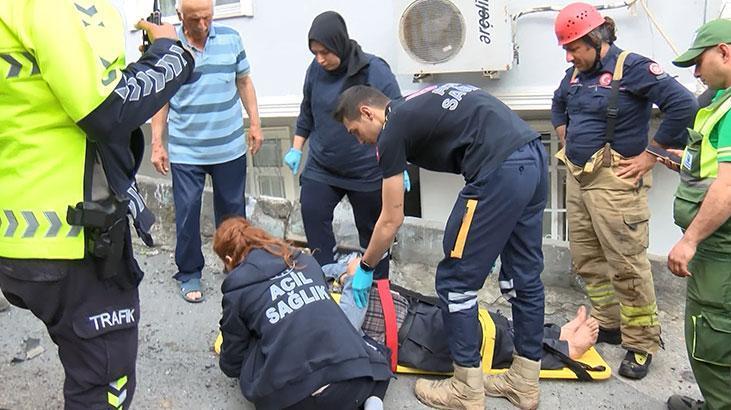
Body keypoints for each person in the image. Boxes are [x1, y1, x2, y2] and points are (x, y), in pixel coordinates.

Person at [0, 1, 196, 408]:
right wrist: (171, 53)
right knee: (104, 385)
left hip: (17, 234)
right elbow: (106, 109)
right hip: (73, 238)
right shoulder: (46, 7)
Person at [333, 84, 548, 410]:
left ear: (367, 112)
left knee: (456, 283)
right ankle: (524, 381)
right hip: (531, 155)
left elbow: (390, 219)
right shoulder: (415, 104)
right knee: (523, 278)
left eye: (354, 131)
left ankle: (465, 389)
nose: (359, 140)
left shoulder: (392, 129)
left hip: (498, 168)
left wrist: (365, 268)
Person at [550, 2, 697, 380]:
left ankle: (642, 342)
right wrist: (564, 134)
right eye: (565, 49)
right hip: (579, 180)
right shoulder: (574, 75)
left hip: (616, 184)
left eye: (573, 48)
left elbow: (682, 104)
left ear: (597, 39)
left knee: (627, 266)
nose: (569, 56)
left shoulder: (633, 67)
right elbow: (558, 103)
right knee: (586, 258)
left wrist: (652, 154)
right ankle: (610, 323)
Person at [213, 217, 392, 410]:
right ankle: (373, 402)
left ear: (229, 259)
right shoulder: (304, 260)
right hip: (350, 386)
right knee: (377, 354)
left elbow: (232, 361)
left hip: (293, 401)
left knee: (254, 345)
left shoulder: (237, 288)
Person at [150, 0, 262, 303]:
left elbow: (244, 81)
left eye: (208, 18)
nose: (203, 25)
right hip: (187, 151)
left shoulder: (231, 39)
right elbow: (161, 98)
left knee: (233, 215)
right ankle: (188, 273)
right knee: (186, 214)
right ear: (180, 17)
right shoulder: (171, 49)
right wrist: (157, 142)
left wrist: (255, 123)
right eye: (195, 19)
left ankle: (236, 268)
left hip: (229, 147)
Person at [283, 11, 402, 281]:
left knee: (373, 231)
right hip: (323, 166)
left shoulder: (374, 69)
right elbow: (307, 113)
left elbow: (397, 112)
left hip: (367, 170)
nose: (319, 59)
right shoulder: (315, 70)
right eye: (314, 52)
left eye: (325, 52)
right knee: (312, 211)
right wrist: (297, 148)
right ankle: (324, 277)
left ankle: (377, 286)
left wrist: (401, 164)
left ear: (339, 43)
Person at [328, 259, 600, 371]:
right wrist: (351, 278)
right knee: (492, 342)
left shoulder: (307, 280)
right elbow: (344, 331)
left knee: (494, 321)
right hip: (411, 338)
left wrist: (342, 273)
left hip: (413, 308)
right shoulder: (311, 330)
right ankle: (566, 349)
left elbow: (341, 264)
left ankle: (557, 333)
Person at [663, 19, 731, 410]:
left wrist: (690, 241)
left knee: (712, 339)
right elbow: (715, 168)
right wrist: (684, 164)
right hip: (719, 242)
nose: (695, 71)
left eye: (699, 60)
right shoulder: (721, 100)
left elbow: (728, 184)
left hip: (720, 248)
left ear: (724, 51)